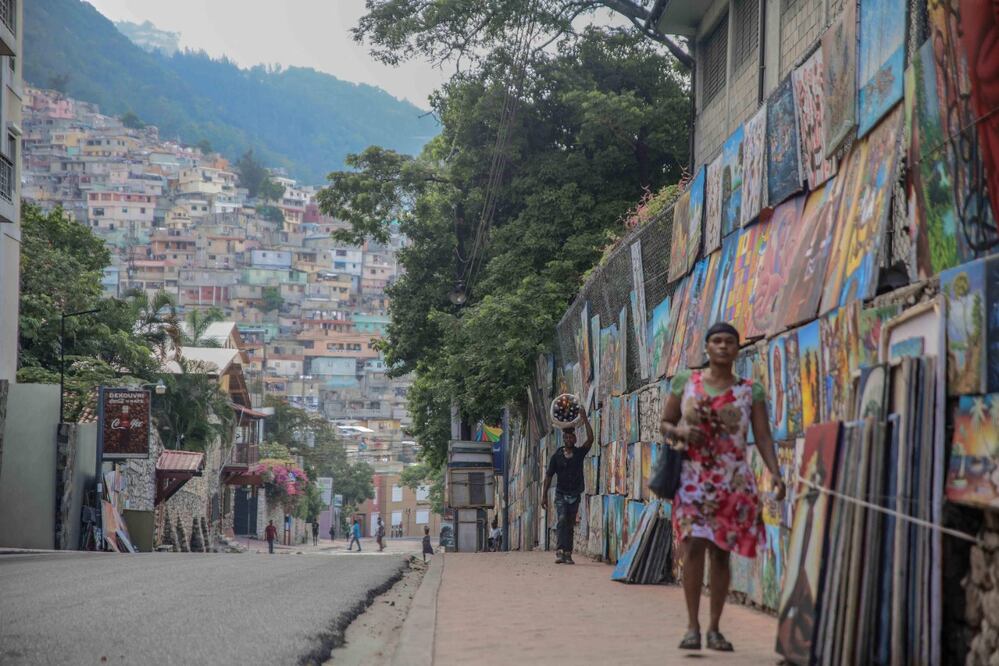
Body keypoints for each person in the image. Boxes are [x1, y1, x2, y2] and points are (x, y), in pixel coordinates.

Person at [659, 322, 786, 653]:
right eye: (716, 341)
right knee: (692, 547)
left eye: (729, 342)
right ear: (707, 347)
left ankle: (714, 627)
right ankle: (692, 626)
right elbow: (665, 423)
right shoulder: (687, 382)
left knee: (720, 554)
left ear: (737, 349)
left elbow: (762, 436)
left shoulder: (750, 391)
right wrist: (683, 434)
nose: (722, 347)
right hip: (692, 479)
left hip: (732, 482)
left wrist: (775, 472)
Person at [541, 407, 594, 564]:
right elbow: (549, 476)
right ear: (563, 439)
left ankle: (568, 553)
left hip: (575, 493)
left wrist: (584, 419)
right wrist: (543, 496)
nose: (569, 439)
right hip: (561, 494)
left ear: (575, 439)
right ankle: (559, 550)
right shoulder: (556, 456)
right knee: (562, 519)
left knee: (570, 524)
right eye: (566, 437)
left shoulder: (579, 453)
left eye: (572, 437)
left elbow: (591, 439)